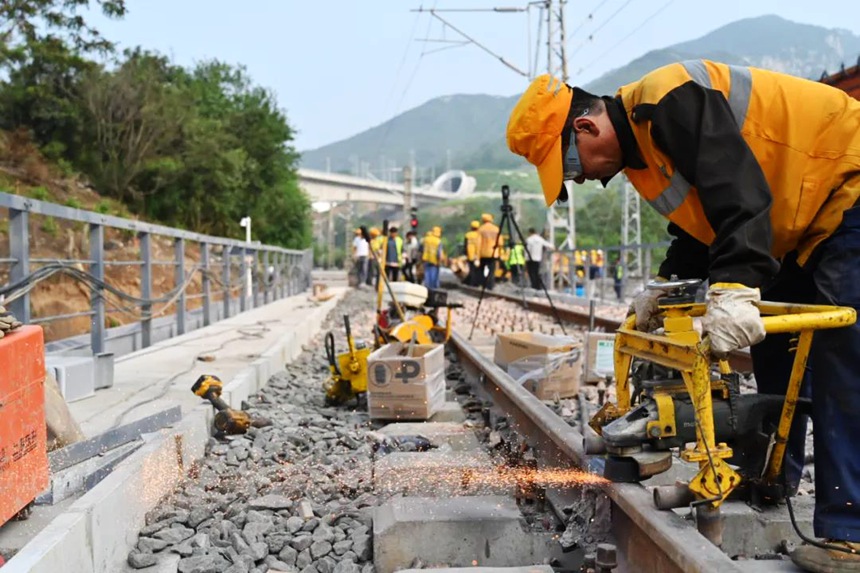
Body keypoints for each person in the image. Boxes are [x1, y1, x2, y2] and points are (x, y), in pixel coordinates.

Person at [506, 62, 860, 571]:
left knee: (840, 354)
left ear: (585, 127)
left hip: (848, 186)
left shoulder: (666, 99)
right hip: (798, 223)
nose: (579, 180)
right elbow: (702, 225)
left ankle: (850, 530)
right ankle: (766, 481)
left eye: (573, 167)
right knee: (777, 352)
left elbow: (738, 193)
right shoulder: (643, 155)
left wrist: (735, 287)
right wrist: (666, 288)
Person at [477, 213, 501, 290]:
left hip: (483, 253)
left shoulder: (481, 229)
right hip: (493, 253)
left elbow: (478, 243)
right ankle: (490, 286)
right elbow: (500, 242)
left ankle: (482, 284)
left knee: (481, 270)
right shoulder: (496, 229)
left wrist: (477, 254)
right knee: (491, 270)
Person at [464, 220, 481, 286]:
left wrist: (465, 254)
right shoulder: (479, 235)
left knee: (471, 269)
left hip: (469, 255)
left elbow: (465, 246)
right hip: (477, 255)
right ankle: (475, 283)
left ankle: (471, 283)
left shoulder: (467, 235)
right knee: (477, 270)